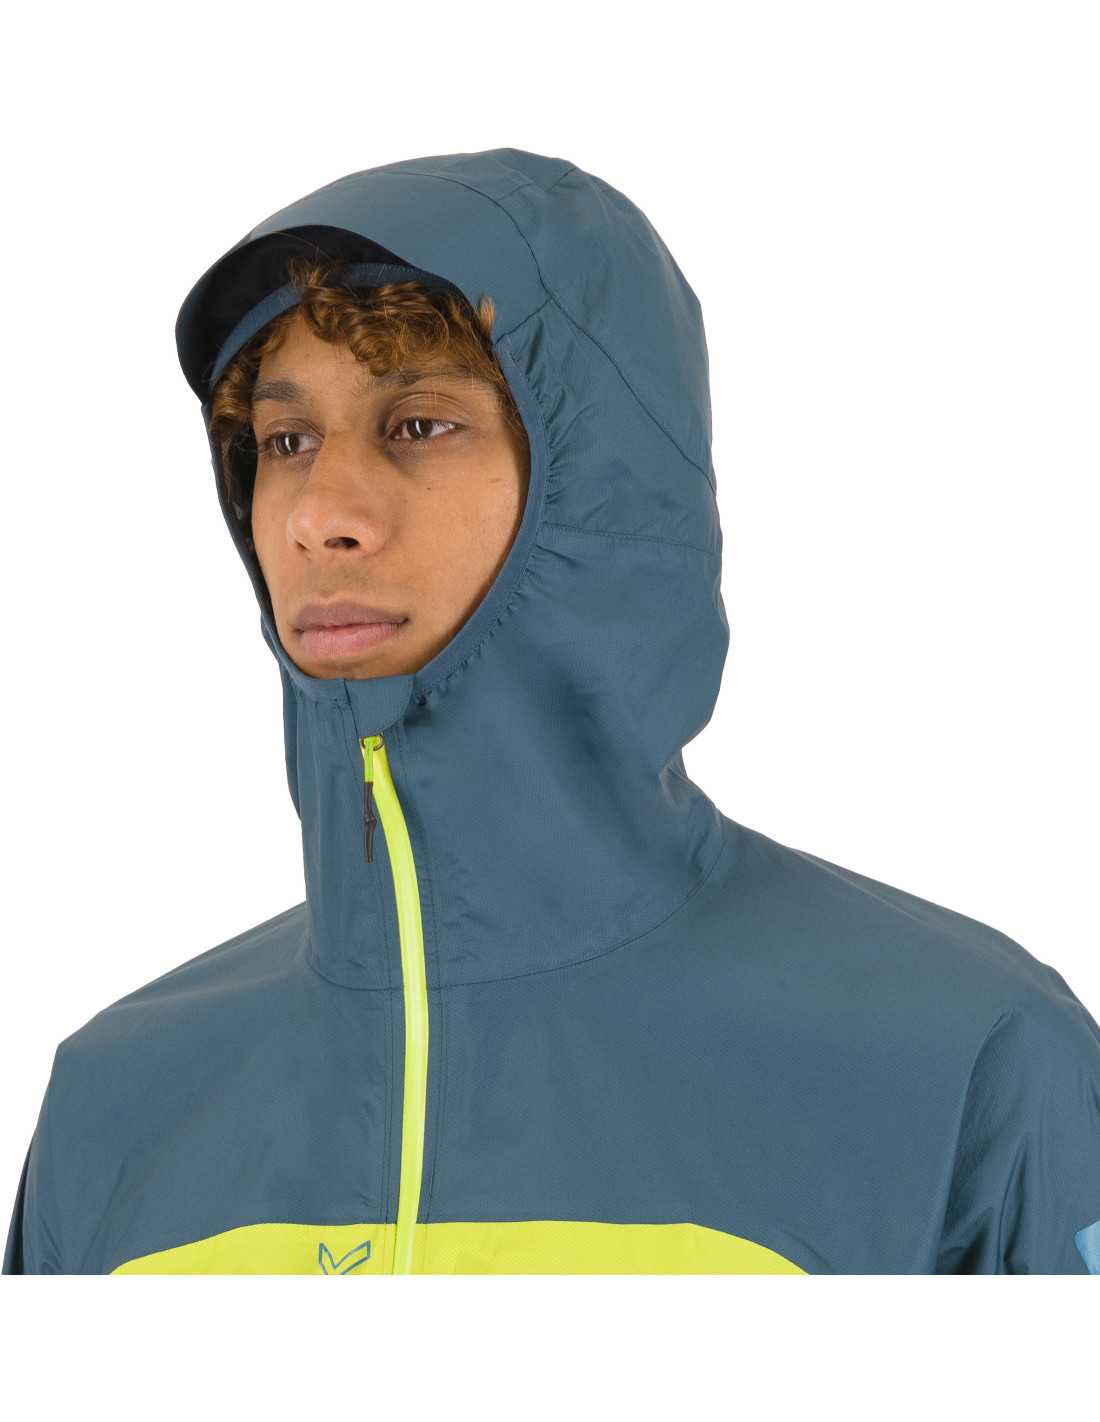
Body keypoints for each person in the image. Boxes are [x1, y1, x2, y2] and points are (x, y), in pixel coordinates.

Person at [4, 146, 1099, 1275]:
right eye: (286, 442)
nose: (318, 514)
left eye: (418, 425)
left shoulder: (960, 1071)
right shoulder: (116, 1111)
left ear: (598, 486)